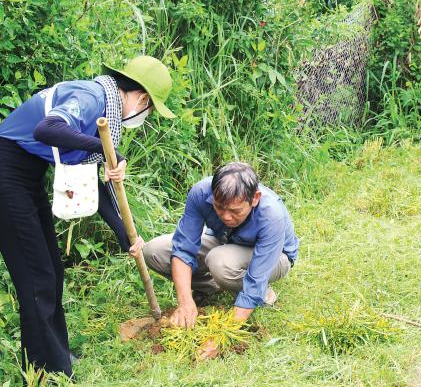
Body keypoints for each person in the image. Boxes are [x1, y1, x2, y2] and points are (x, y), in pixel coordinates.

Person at [0, 56, 175, 378]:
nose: (145, 116)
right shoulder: (91, 97)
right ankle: (47, 372)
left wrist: (127, 237)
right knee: (36, 277)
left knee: (51, 271)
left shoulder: (102, 112)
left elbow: (94, 184)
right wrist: (106, 148)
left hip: (26, 177)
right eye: (149, 109)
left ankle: (54, 355)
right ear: (142, 98)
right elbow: (47, 128)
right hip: (6, 173)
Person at [142, 162, 299, 327]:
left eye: (235, 211)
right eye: (219, 207)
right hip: (225, 240)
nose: (226, 217)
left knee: (219, 261)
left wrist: (223, 335)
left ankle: (262, 292)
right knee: (154, 251)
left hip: (276, 258)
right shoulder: (201, 193)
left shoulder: (271, 214)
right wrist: (185, 301)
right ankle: (215, 285)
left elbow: (255, 279)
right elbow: (183, 249)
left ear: (255, 199)